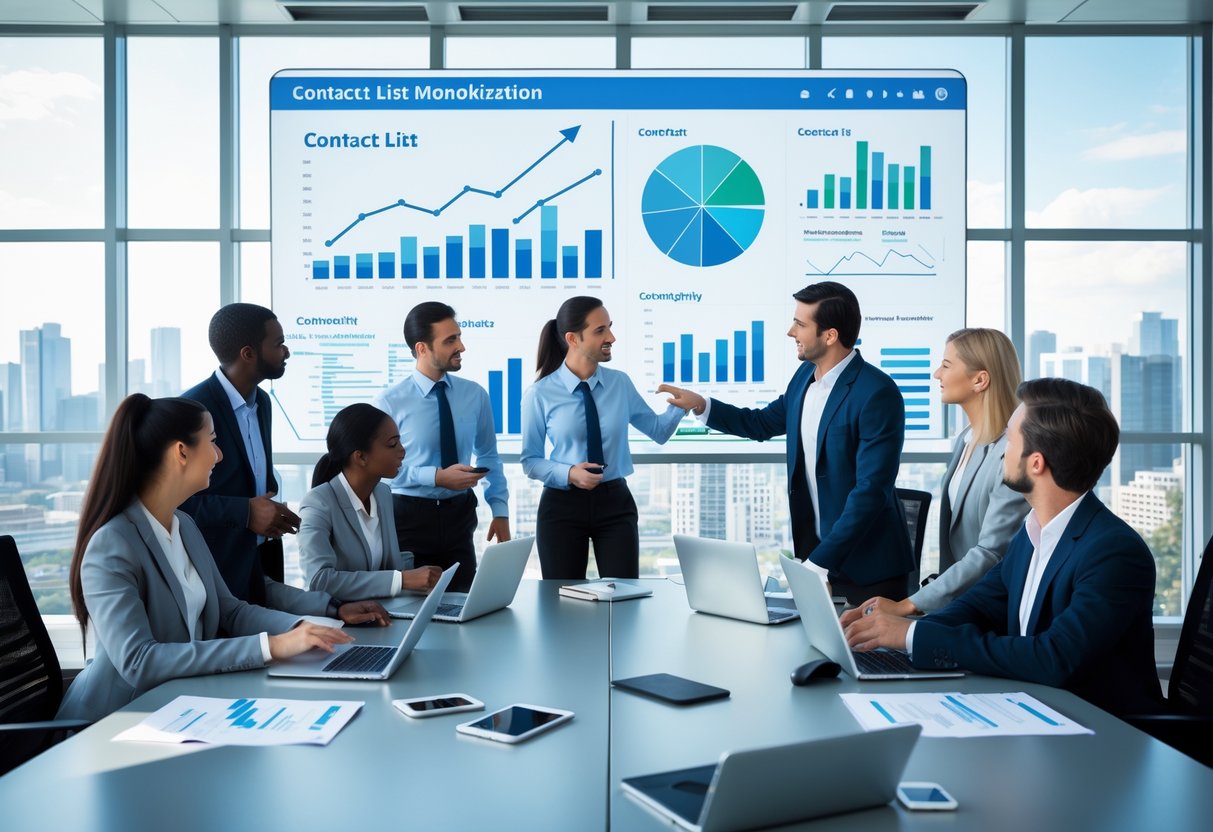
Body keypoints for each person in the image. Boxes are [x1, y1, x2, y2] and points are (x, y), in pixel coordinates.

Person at [841, 378, 1163, 717]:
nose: (1001, 453)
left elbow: (1054, 658)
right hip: (1037, 715)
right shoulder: (1032, 534)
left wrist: (911, 636)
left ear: (1036, 463)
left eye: (1009, 440)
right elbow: (975, 608)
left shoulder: (1114, 553)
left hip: (1104, 735)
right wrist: (890, 632)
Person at [57, 395, 353, 723]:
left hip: (178, 709)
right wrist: (271, 646)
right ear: (182, 452)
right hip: (113, 722)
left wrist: (304, 629)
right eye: (212, 441)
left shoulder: (184, 526)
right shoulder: (112, 545)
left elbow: (231, 610)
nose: (219, 454)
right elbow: (139, 661)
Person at [660, 281, 912, 605]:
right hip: (816, 560)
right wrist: (702, 405)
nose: (791, 331)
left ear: (830, 335)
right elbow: (761, 423)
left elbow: (871, 491)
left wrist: (821, 563)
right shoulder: (803, 378)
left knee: (867, 656)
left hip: (868, 569)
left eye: (801, 324)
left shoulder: (876, 393)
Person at [181, 303, 388, 623]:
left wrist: (269, 505)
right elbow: (177, 504)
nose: (286, 351)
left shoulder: (262, 402)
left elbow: (250, 477)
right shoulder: (194, 409)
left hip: (262, 559)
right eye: (278, 343)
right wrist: (246, 511)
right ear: (248, 353)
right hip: (218, 564)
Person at [853, 328, 1029, 617]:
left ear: (980, 380)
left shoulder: (1010, 453)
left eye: (946, 366)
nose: (937, 374)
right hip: (958, 605)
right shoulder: (966, 439)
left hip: (991, 611)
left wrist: (910, 604)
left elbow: (990, 553)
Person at [521, 295, 686, 579]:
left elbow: (658, 432)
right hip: (562, 505)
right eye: (600, 331)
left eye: (609, 327)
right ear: (573, 338)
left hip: (615, 503)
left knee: (623, 595)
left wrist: (682, 405)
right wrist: (569, 472)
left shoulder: (619, 383)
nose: (611, 337)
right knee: (563, 601)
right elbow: (530, 461)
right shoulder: (540, 394)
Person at [372, 302, 510, 594]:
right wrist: (436, 477)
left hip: (459, 516)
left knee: (461, 604)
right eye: (450, 340)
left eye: (458, 337)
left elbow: (488, 455)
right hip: (408, 518)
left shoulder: (475, 395)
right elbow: (382, 471)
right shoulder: (390, 403)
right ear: (422, 348)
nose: (461, 346)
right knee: (411, 607)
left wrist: (500, 511)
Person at [299, 403, 443, 600]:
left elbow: (390, 566)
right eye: (392, 444)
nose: (402, 451)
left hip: (383, 612)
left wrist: (425, 579)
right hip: (341, 621)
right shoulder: (318, 503)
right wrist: (402, 580)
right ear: (361, 457)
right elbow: (319, 581)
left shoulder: (382, 494)